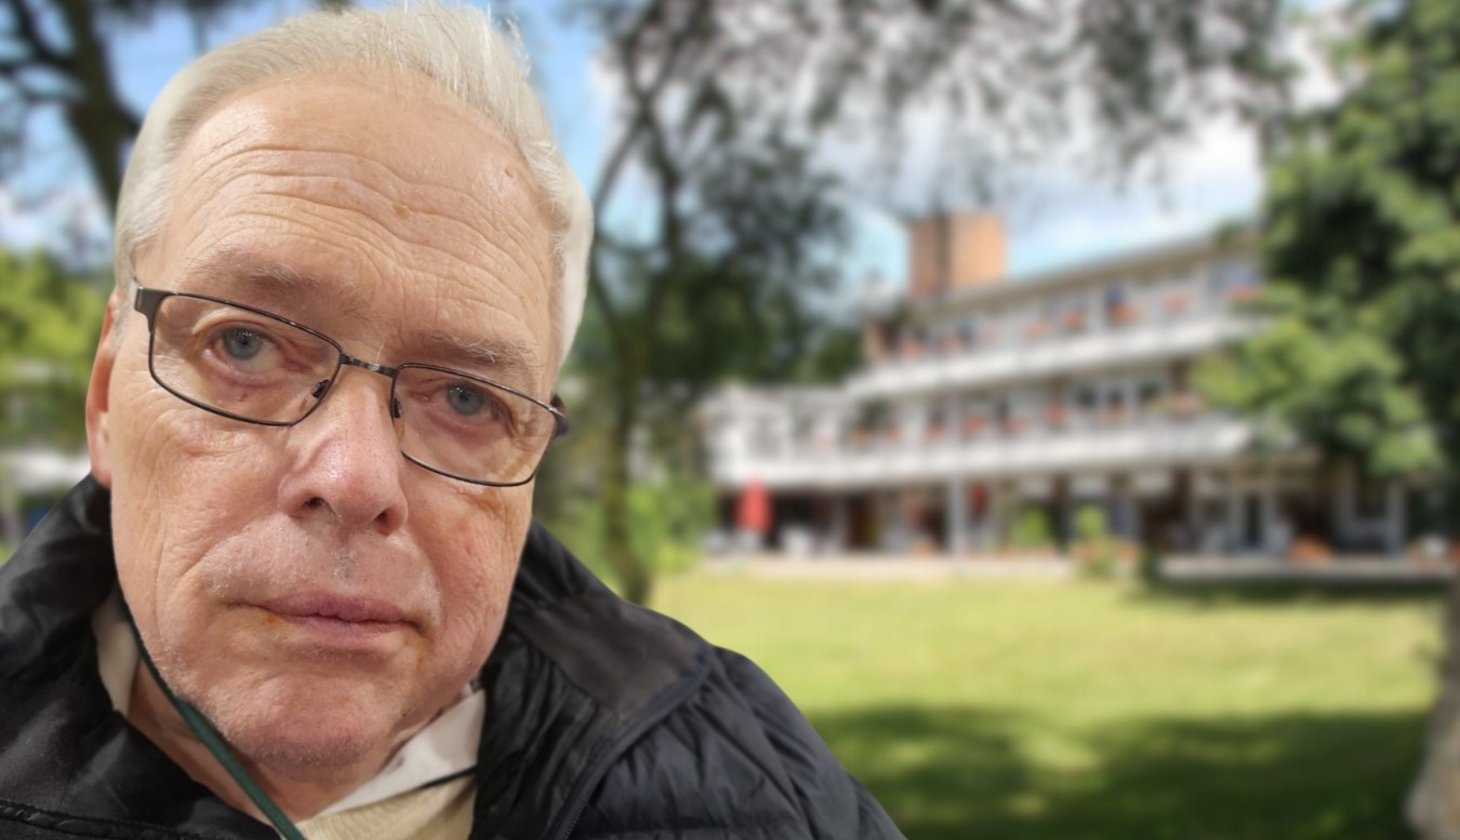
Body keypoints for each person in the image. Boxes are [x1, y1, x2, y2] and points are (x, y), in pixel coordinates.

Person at [0, 5, 902, 839]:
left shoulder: (765, 796)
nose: (354, 480)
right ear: (108, 399)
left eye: (467, 399)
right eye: (245, 346)